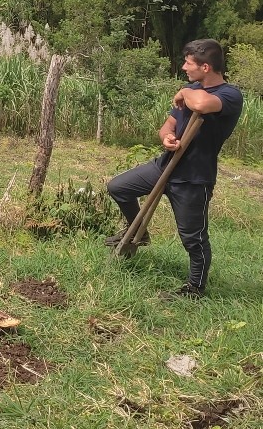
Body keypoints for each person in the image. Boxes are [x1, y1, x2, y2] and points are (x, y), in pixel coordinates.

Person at [104, 39, 243, 299]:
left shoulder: (229, 95)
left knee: (193, 237)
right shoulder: (191, 89)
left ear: (205, 67)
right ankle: (139, 231)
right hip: (164, 166)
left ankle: (195, 288)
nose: (183, 67)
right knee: (119, 187)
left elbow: (201, 104)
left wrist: (183, 91)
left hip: (193, 179)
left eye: (188, 64)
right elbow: (168, 124)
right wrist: (166, 137)